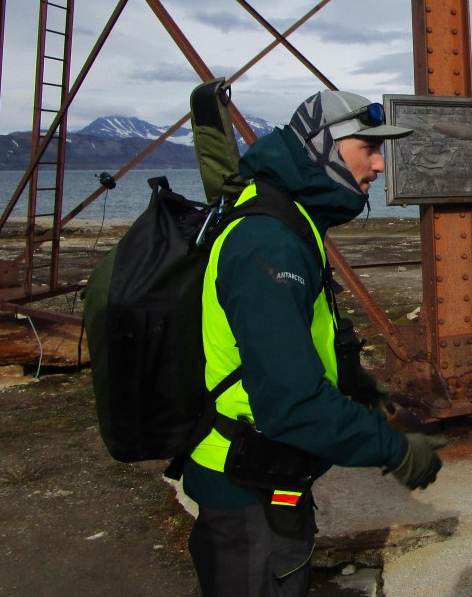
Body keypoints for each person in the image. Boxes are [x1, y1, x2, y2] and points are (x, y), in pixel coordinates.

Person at [182, 90, 446, 597]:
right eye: (367, 146)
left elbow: (294, 339)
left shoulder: (289, 219)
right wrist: (394, 449)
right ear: (320, 144)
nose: (379, 165)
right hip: (245, 477)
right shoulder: (268, 240)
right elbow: (290, 403)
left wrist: (358, 385)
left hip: (263, 466)